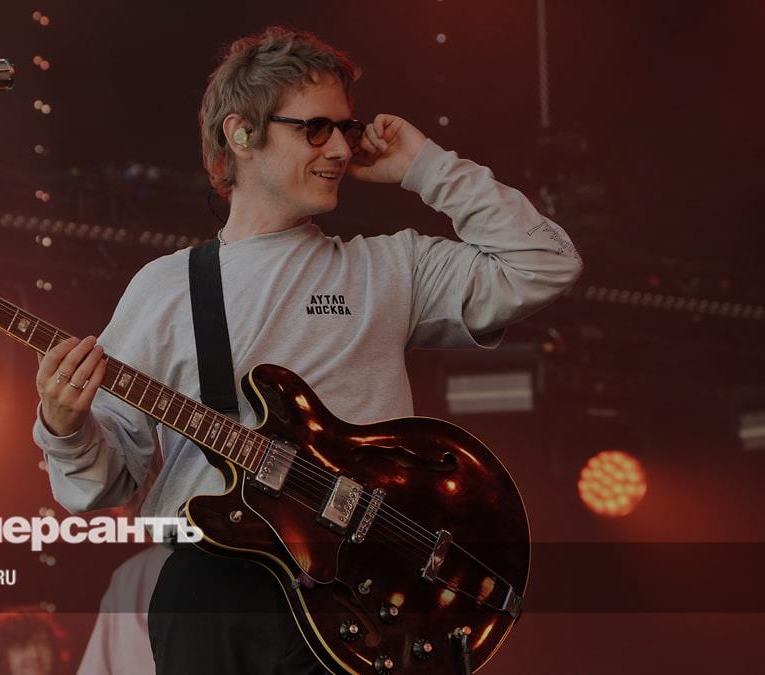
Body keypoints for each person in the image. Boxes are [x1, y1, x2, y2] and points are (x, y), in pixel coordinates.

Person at [31, 25, 583, 674]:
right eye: (315, 129)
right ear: (242, 134)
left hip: (364, 590)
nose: (341, 149)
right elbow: (103, 485)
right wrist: (65, 427)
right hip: (216, 593)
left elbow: (546, 263)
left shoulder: (389, 268)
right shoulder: (166, 287)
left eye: (346, 129)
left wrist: (426, 165)